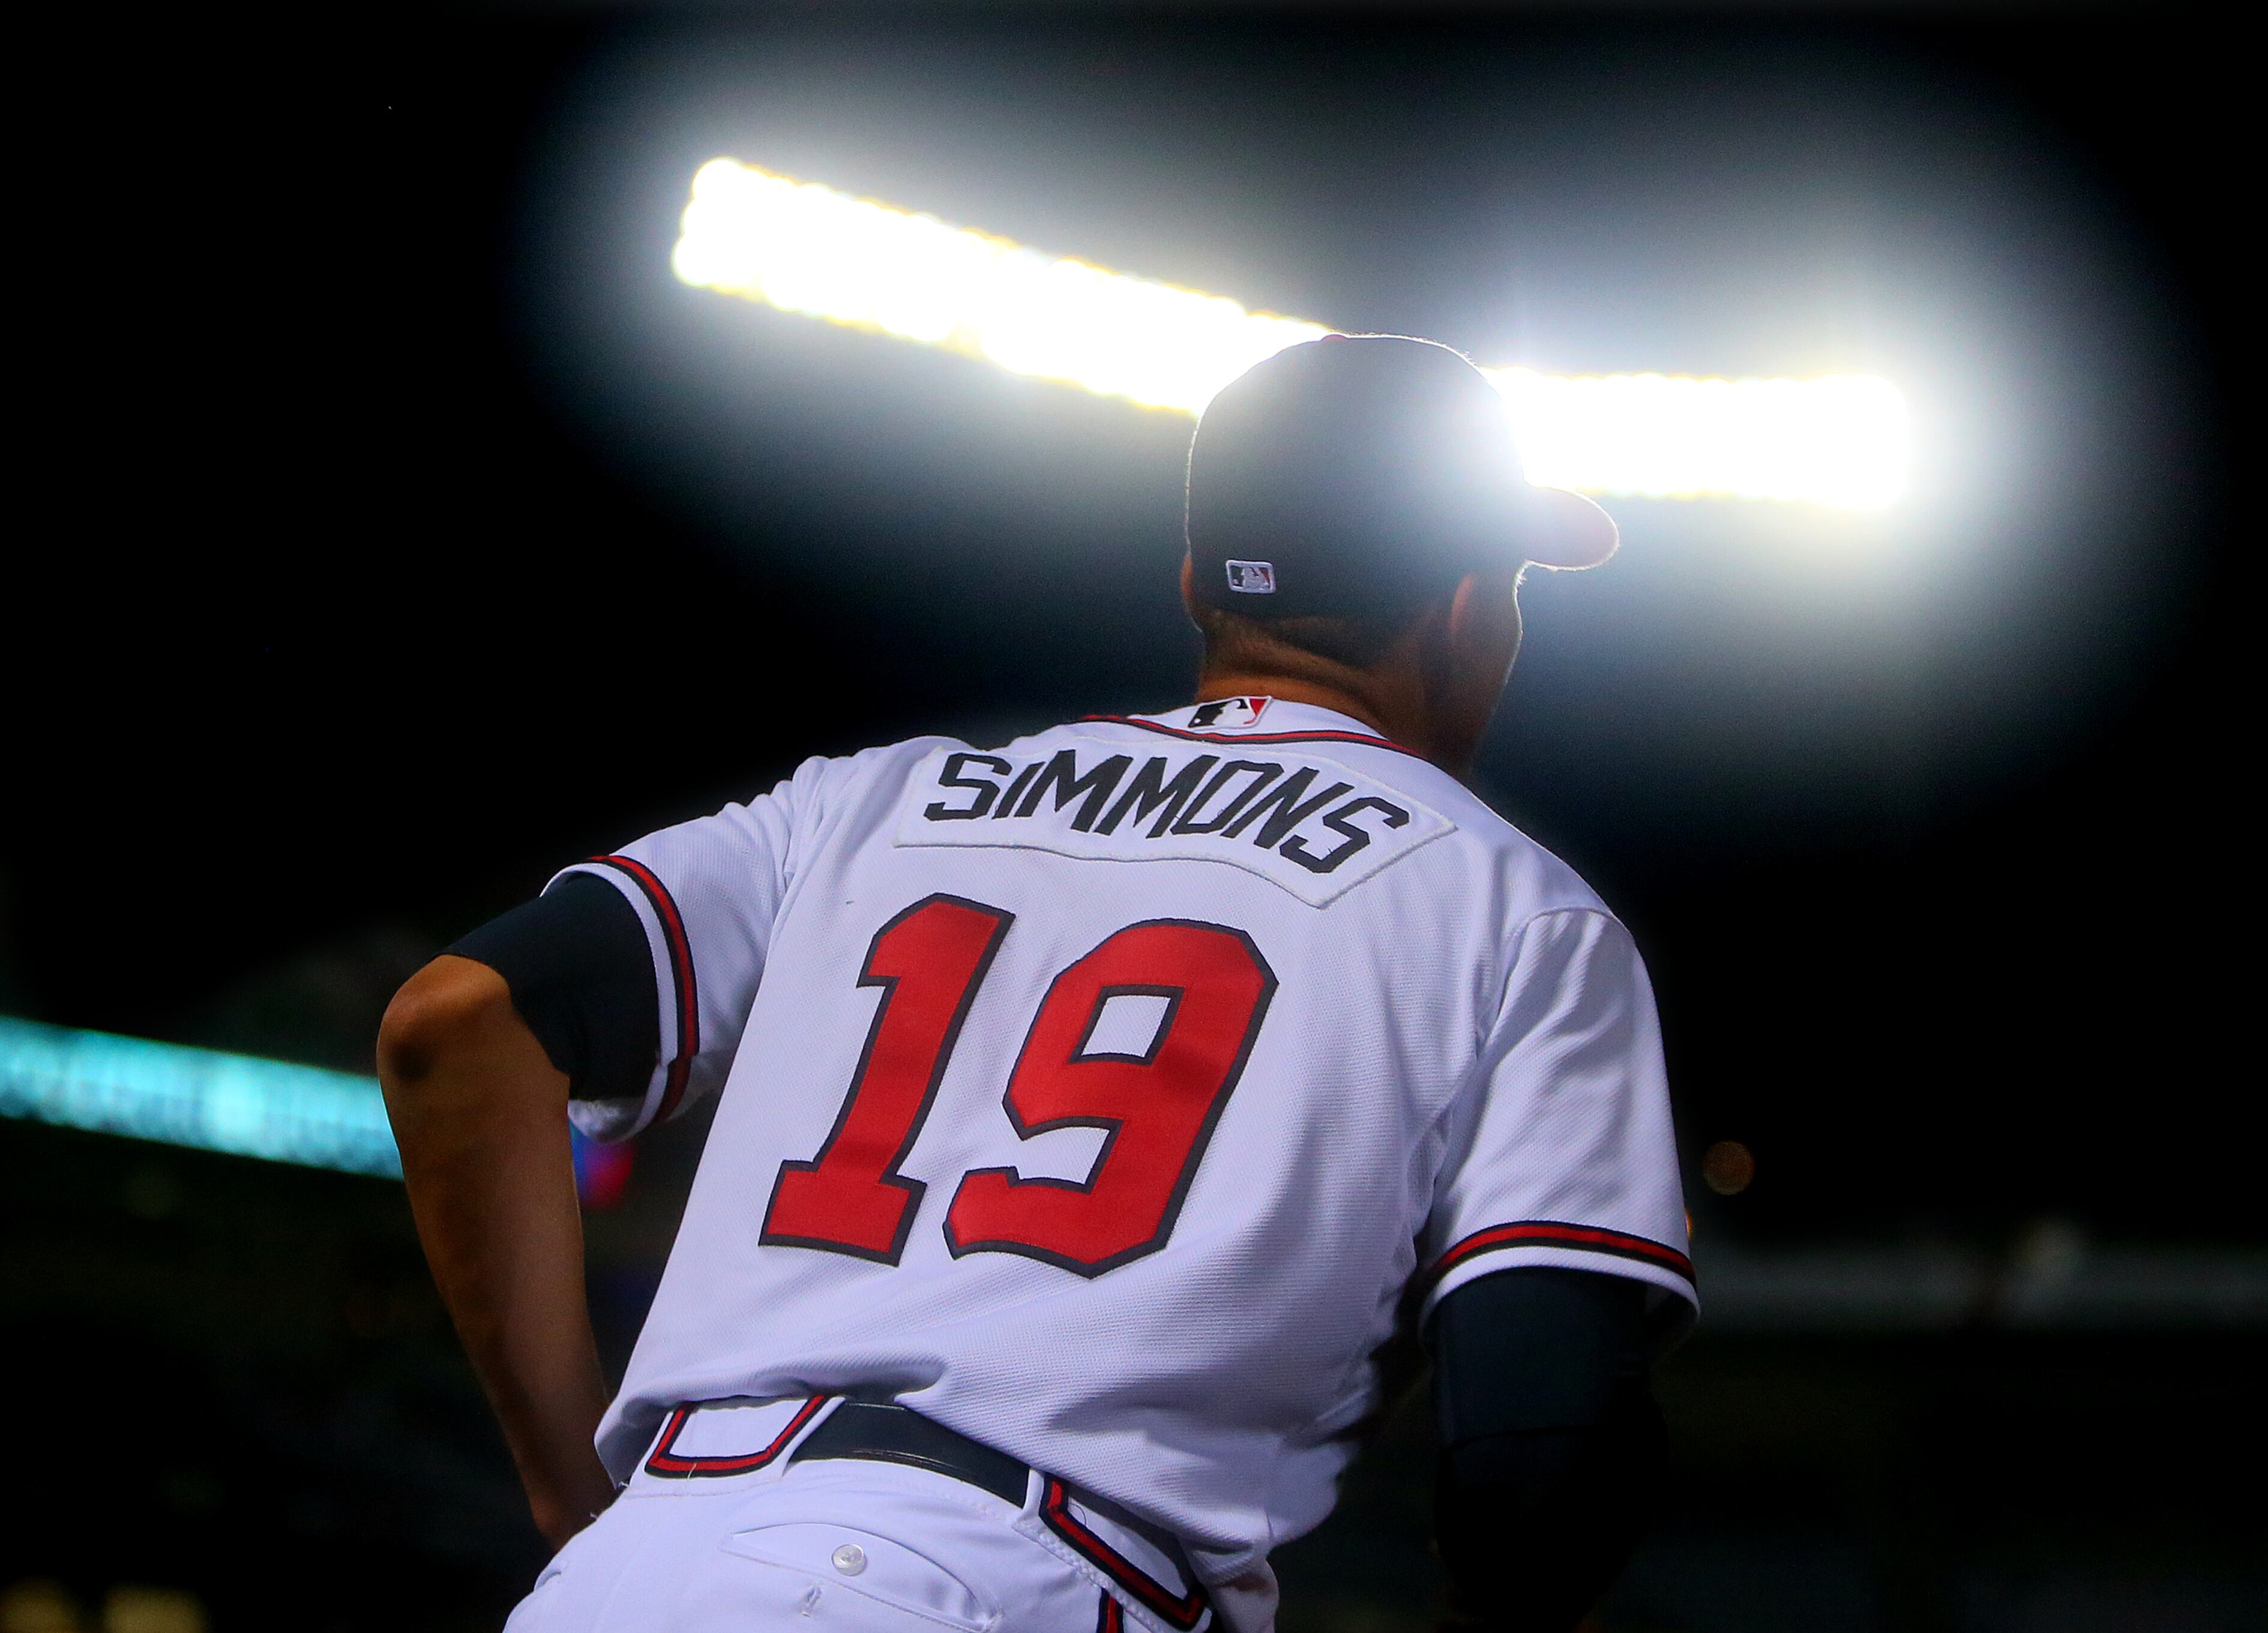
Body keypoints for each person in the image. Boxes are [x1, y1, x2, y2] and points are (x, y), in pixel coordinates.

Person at [380, 333, 1694, 1633]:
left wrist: (570, 1500)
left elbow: (455, 1025)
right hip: (1014, 1579)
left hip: (627, 1574)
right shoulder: (1513, 905)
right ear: (1471, 608)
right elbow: (1537, 1462)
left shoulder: (869, 799)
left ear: (1195, 585)